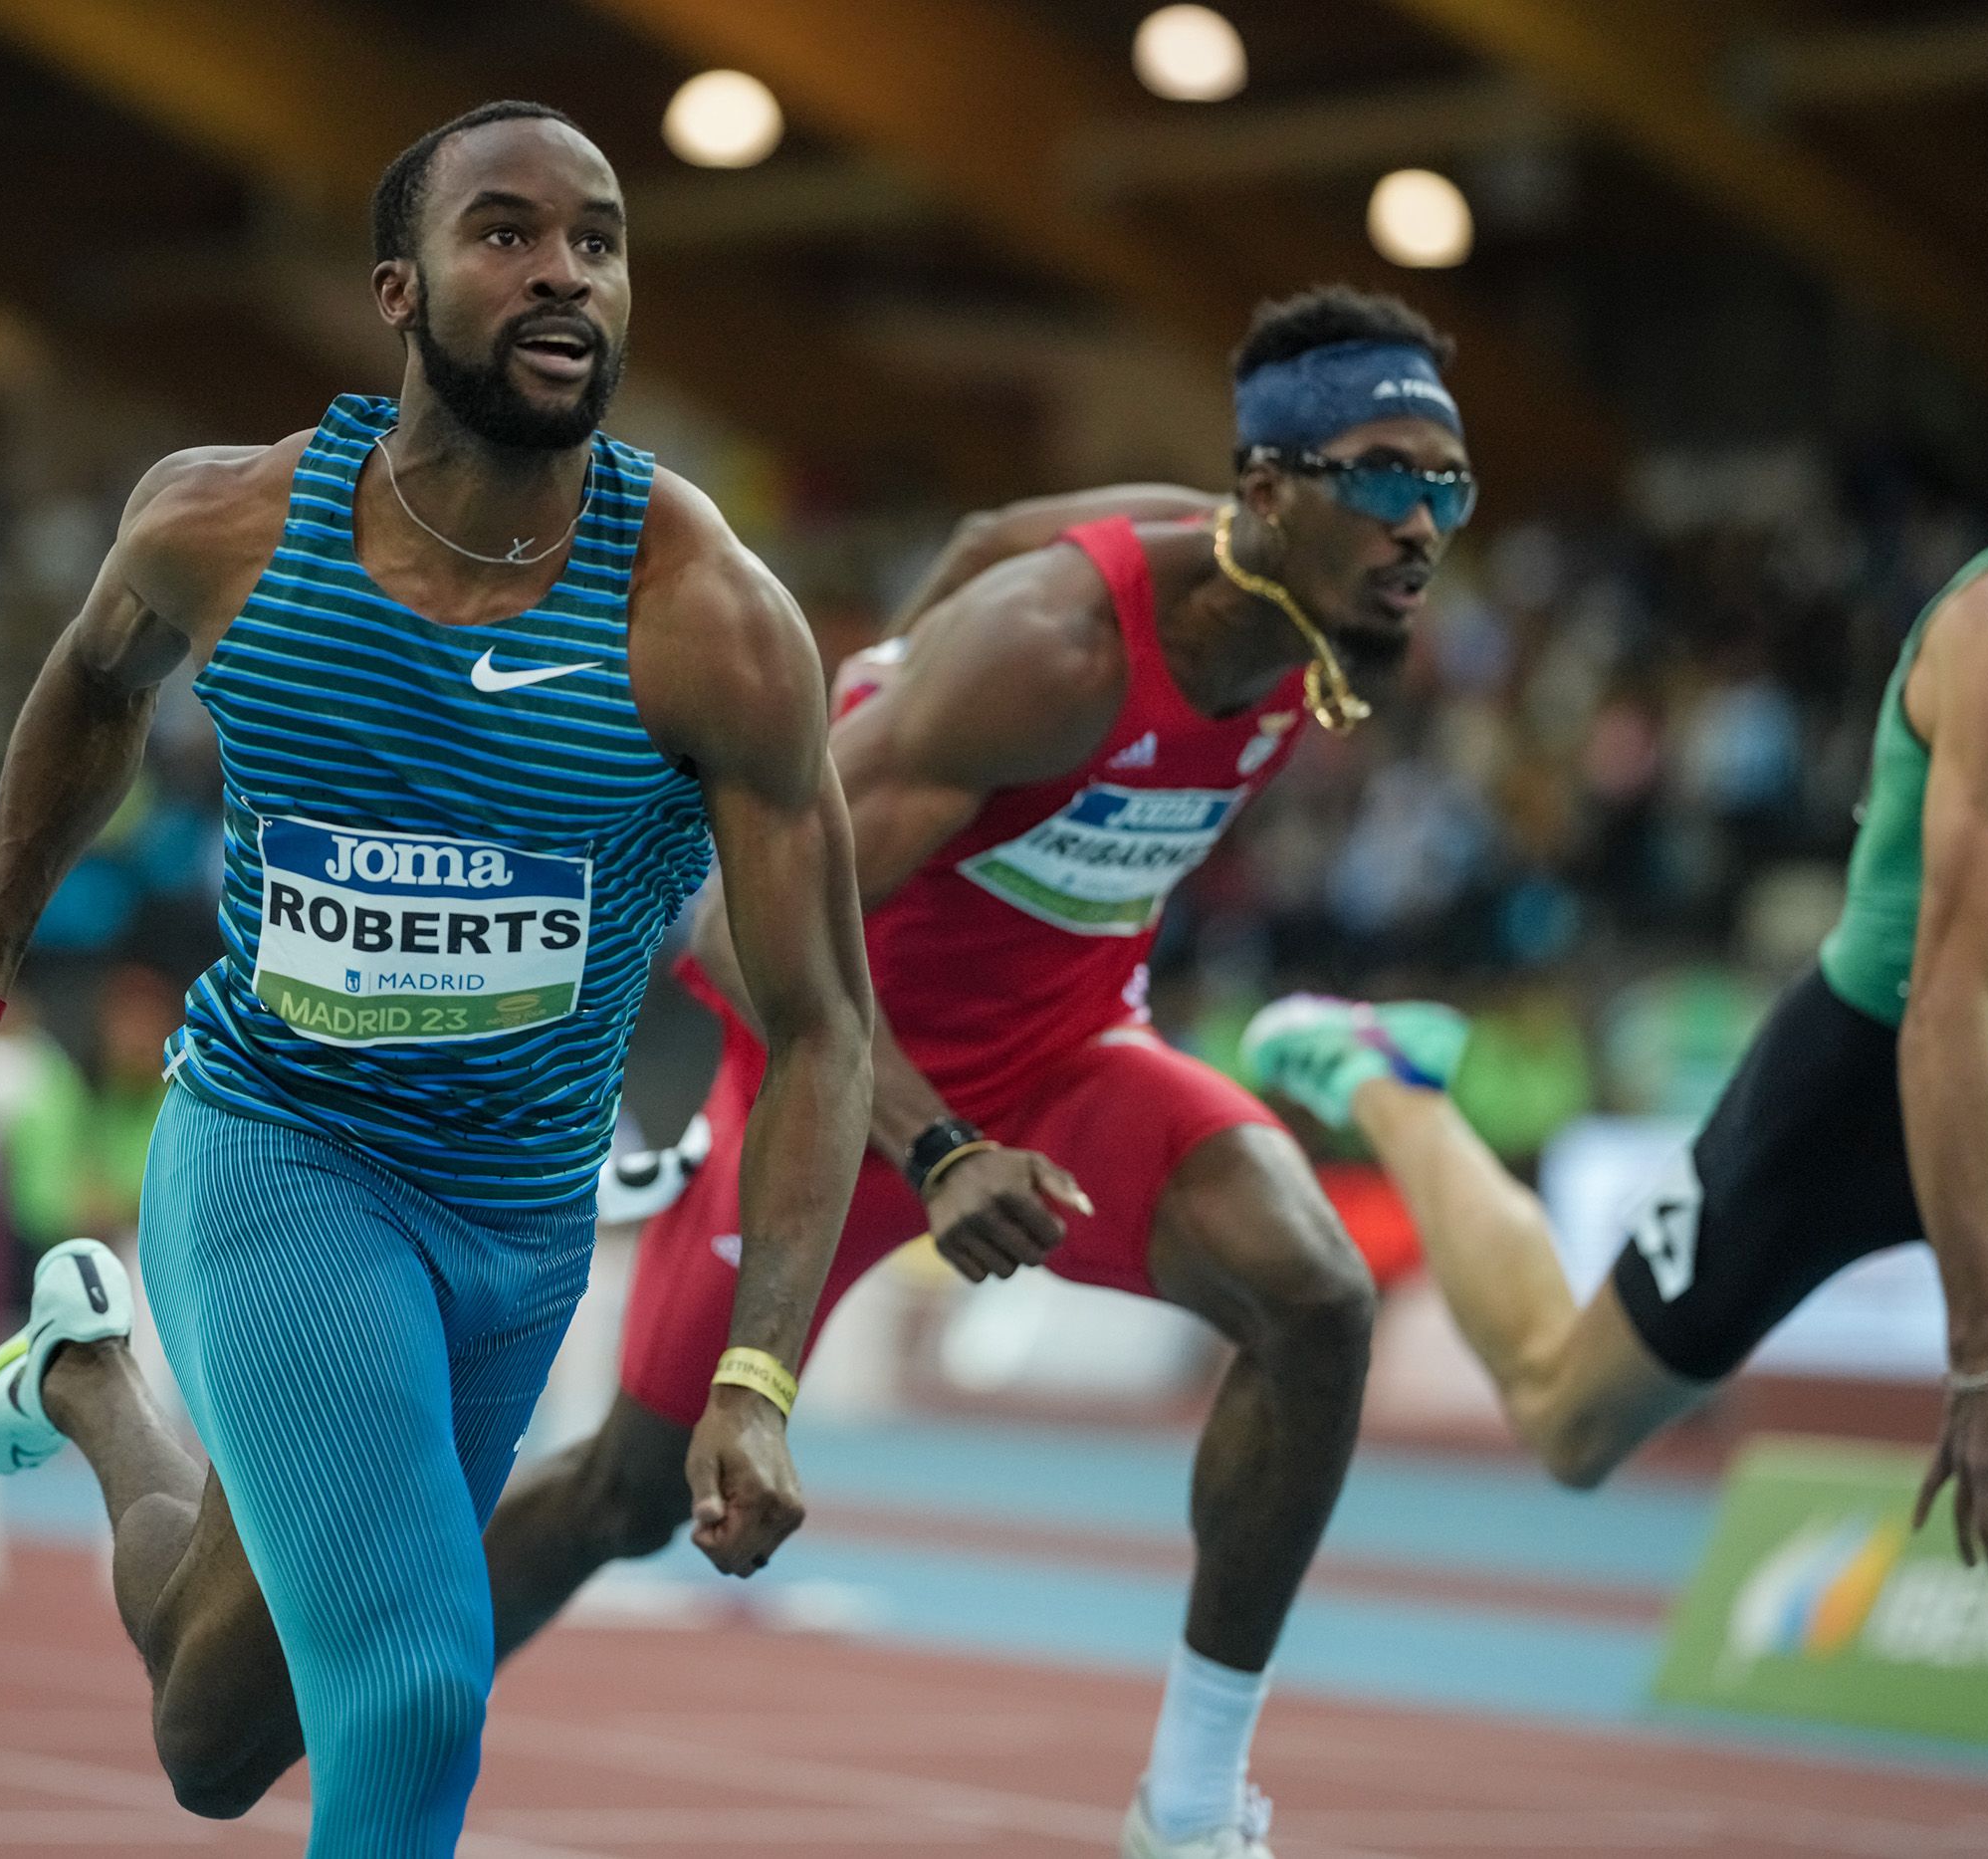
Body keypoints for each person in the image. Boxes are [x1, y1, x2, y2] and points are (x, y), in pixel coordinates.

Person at [0, 101, 871, 1855]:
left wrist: (759, 1377)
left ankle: (86, 1379)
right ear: (398, 291)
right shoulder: (226, 527)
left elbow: (821, 1024)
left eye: (601, 241)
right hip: (282, 1150)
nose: (565, 272)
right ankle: (119, 1343)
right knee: (412, 1686)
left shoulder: (707, 616)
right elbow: (92, 688)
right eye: (511, 233)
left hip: (516, 1223)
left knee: (220, 1738)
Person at [483, 286, 1480, 1859]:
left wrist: (886, 656)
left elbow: (987, 521)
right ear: (1268, 489)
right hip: (843, 1069)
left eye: (1447, 486)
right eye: (1382, 475)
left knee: (1320, 1297)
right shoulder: (1055, 654)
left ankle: (1193, 1803)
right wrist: (937, 1144)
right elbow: (733, 936)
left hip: (1072, 1054)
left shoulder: (1319, 616)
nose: (1420, 523)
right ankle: (382, 1691)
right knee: (629, 1491)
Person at [1242, 516, 1988, 1588]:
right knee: (1570, 1420)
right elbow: (1947, 1012)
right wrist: (1984, 1360)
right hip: (1867, 1076)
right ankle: (1387, 1080)